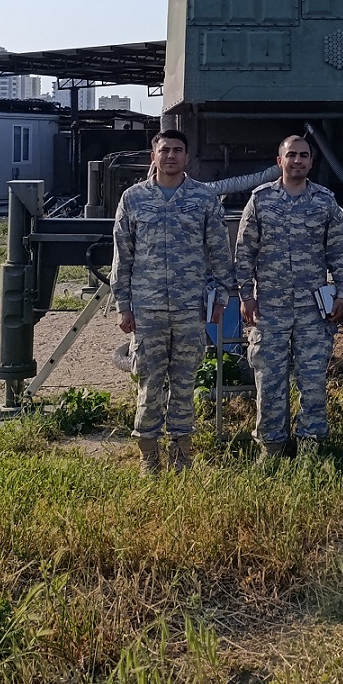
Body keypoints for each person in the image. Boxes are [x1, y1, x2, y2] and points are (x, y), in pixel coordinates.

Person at [111, 129, 236, 477]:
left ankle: (181, 453)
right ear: (154, 155)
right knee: (149, 383)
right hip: (147, 309)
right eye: (164, 150)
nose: (170, 156)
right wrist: (124, 305)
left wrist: (220, 296)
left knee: (184, 384)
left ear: (187, 157)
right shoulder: (133, 199)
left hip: (189, 308)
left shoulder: (204, 199)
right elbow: (123, 256)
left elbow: (218, 255)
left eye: (177, 150)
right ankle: (148, 455)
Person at [235, 135, 343, 460]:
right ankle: (270, 449)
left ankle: (309, 448)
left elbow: (338, 251)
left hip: (313, 311)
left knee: (312, 381)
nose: (297, 160)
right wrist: (246, 296)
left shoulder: (325, 201)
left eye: (304, 156)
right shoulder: (260, 200)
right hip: (269, 309)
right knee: (269, 380)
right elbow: (244, 253)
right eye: (292, 155)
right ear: (280, 161)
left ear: (311, 162)